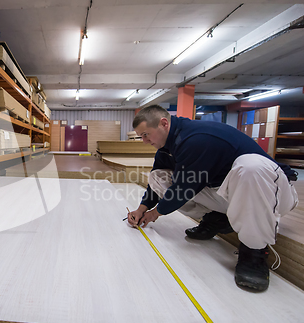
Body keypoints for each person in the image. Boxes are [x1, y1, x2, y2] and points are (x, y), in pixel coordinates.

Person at [127, 105, 298, 291]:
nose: (144, 141)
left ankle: (254, 252)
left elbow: (183, 189)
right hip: (232, 195)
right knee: (158, 176)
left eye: (146, 134)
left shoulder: (196, 139)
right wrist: (141, 208)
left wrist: (154, 214)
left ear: (164, 123)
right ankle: (218, 218)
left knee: (251, 167)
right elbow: (162, 185)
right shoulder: (167, 149)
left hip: (272, 194)